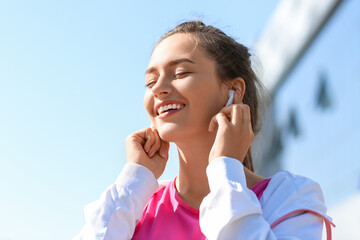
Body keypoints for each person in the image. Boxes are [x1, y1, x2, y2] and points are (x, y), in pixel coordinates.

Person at [73, 21, 334, 240]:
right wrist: (134, 179)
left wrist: (225, 168)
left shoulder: (290, 199)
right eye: (150, 81)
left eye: (181, 72)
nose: (158, 88)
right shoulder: (136, 206)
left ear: (234, 92)